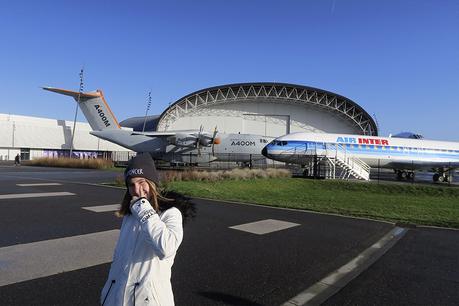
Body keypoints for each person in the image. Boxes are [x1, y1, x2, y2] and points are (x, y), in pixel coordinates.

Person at [101, 153, 183, 306]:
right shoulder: (130, 215)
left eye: (142, 182)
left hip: (148, 300)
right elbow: (119, 259)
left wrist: (143, 209)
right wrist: (108, 293)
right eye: (131, 185)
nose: (137, 190)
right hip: (117, 298)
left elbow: (166, 248)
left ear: (152, 182)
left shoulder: (170, 213)